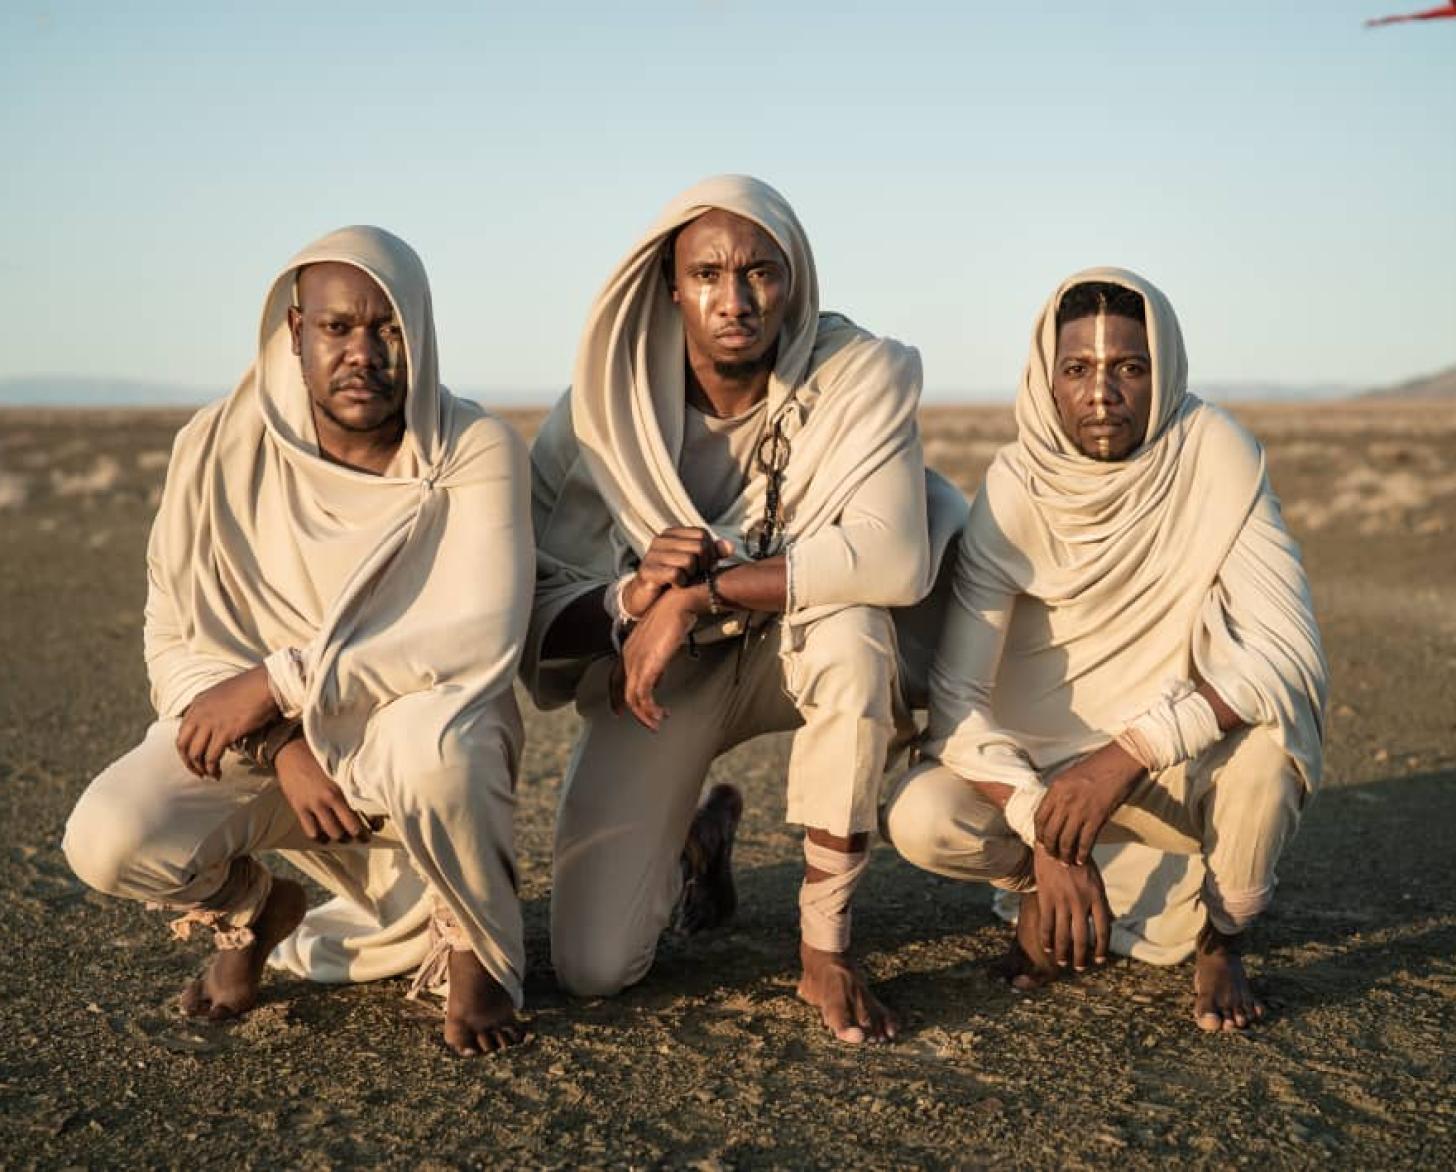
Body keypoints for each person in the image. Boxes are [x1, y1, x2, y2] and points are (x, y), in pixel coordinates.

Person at [63, 226, 533, 1055]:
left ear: (418, 334)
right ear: (294, 331)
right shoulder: (215, 447)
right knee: (107, 837)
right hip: (273, 745)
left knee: (447, 743)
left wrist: (280, 681)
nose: (364, 353)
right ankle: (253, 912)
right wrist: (281, 734)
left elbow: (477, 631)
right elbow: (171, 633)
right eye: (337, 328)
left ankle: (475, 952)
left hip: (405, 734)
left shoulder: (472, 447)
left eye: (387, 329)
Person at [524, 175, 965, 1043]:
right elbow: (531, 607)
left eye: (760, 271)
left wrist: (697, 592)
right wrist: (631, 597)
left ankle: (824, 948)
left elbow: (892, 554)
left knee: (851, 624)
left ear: (792, 279)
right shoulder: (599, 414)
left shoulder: (857, 372)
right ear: (670, 286)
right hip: (666, 674)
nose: (735, 299)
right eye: (708, 275)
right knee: (594, 968)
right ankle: (697, 844)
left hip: (796, 643)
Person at [881, 269, 1328, 1032]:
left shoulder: (1212, 453)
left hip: (1163, 767)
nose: (1101, 394)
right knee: (921, 813)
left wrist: (1125, 755)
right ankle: (1047, 894)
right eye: (1077, 369)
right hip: (1046, 777)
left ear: (1164, 371)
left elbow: (1286, 656)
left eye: (1129, 367)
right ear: (1046, 379)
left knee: (1264, 760)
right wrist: (1046, 842)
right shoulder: (1016, 487)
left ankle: (1220, 941)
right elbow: (956, 706)